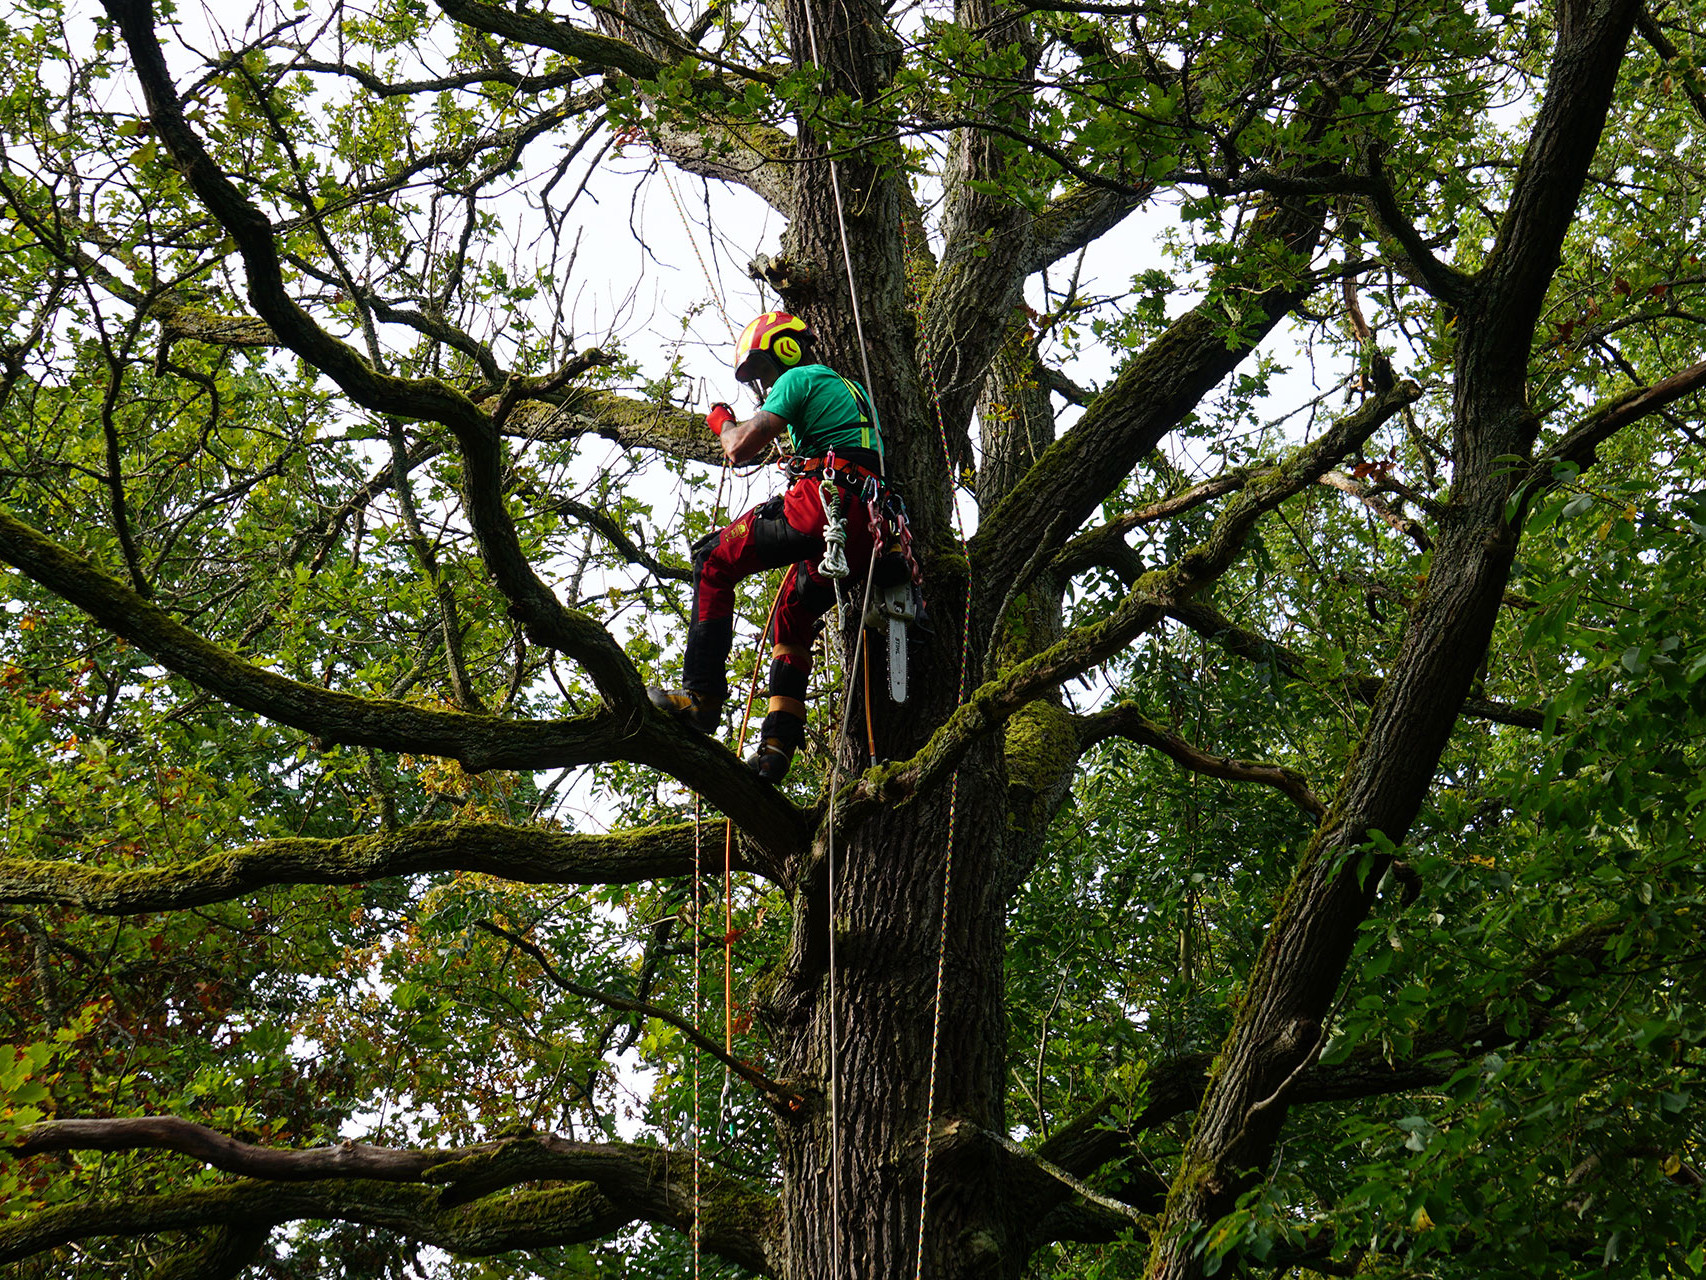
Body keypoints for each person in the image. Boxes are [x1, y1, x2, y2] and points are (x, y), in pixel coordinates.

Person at [648, 311, 884, 781]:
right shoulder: (849, 393)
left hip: (821, 505)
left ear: (786, 351)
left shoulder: (798, 378)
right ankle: (777, 749)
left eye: (763, 371)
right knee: (791, 617)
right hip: (867, 528)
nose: (764, 386)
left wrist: (722, 422)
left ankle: (700, 699)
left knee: (711, 559)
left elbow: (738, 450)